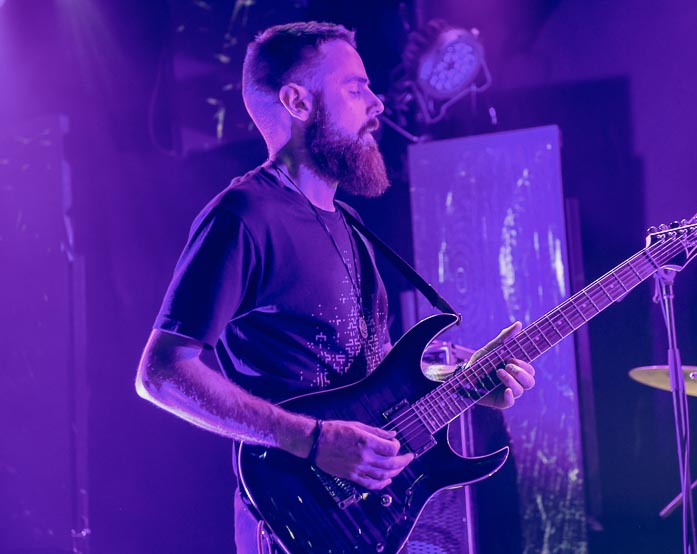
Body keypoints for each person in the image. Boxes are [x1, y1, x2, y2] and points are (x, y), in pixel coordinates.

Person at [135, 21, 536, 553]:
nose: (377, 104)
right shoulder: (244, 216)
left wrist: (463, 379)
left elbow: (370, 370)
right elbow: (160, 372)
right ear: (298, 102)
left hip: (372, 519)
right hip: (290, 521)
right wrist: (313, 439)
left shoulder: (351, 225)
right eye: (354, 88)